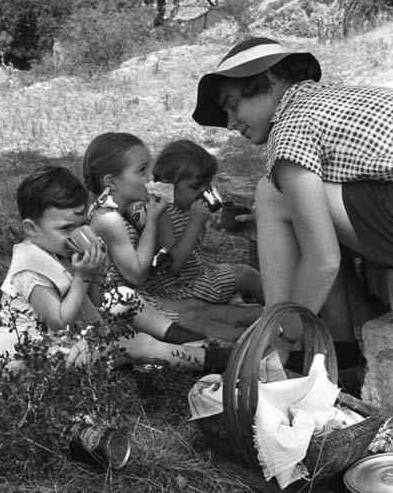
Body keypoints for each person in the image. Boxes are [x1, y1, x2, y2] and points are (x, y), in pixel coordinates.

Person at [192, 36, 393, 388]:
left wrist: (280, 336)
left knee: (270, 192)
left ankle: (290, 354)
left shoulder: (289, 126)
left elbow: (323, 259)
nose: (231, 123)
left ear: (267, 82)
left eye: (232, 105)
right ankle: (342, 351)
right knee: (299, 208)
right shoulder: (330, 99)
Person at [0, 166, 234, 387]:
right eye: (66, 228)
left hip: (77, 331)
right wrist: (83, 276)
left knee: (124, 296)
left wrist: (95, 274)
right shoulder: (30, 271)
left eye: (81, 223)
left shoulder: (58, 249)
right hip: (51, 352)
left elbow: (94, 303)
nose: (77, 233)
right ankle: (210, 360)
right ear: (32, 229)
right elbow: (60, 320)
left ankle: (184, 339)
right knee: (135, 343)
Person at [83, 132, 260, 341]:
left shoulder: (119, 211)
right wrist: (152, 221)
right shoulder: (108, 219)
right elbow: (138, 273)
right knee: (196, 316)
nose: (150, 177)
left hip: (136, 298)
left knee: (199, 309)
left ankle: (273, 318)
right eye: (142, 170)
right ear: (111, 182)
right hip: (122, 309)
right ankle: (248, 343)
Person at [147, 139, 264, 309]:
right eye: (195, 187)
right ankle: (281, 312)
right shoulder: (163, 214)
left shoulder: (182, 209)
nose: (203, 191)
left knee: (224, 270)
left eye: (207, 184)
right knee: (245, 274)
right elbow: (173, 266)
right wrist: (194, 224)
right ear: (168, 184)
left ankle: (237, 306)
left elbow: (191, 255)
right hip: (178, 290)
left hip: (191, 279)